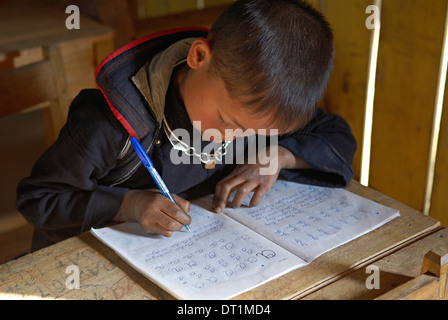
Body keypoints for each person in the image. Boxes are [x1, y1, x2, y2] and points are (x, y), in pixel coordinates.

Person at [16, 0, 356, 251]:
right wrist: (128, 205)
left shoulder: (262, 108)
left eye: (256, 134)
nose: (236, 140)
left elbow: (337, 135)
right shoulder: (112, 121)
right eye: (227, 122)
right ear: (198, 57)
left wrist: (278, 156)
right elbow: (40, 199)